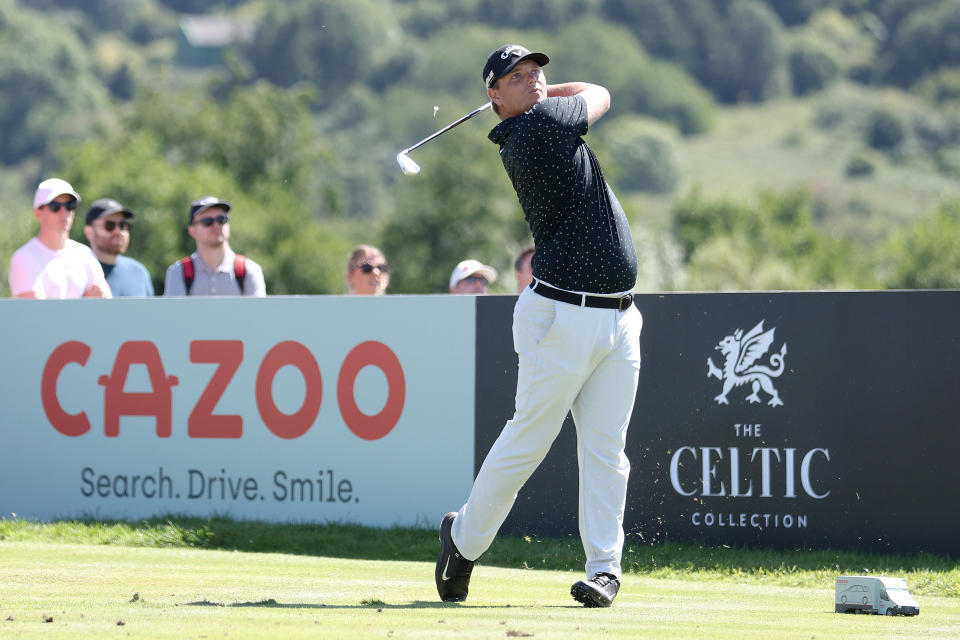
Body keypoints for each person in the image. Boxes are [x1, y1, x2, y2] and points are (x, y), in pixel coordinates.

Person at [435, 45, 642, 609]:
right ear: (493, 96)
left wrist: (532, 88)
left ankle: (604, 570)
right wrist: (546, 93)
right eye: (517, 78)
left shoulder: (535, 117)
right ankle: (463, 540)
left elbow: (572, 95)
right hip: (562, 316)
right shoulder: (536, 130)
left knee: (607, 451)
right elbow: (599, 92)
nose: (535, 82)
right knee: (530, 440)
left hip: (619, 316)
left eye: (537, 72)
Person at [8, 178, 111, 299]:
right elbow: (37, 314)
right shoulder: (24, 257)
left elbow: (105, 300)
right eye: (55, 206)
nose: (64, 212)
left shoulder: (84, 254)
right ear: (38, 213)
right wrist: (86, 301)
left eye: (70, 205)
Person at [163, 196, 266, 297]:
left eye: (222, 219)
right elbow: (173, 314)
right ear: (192, 230)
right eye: (208, 221)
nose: (216, 225)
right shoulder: (178, 272)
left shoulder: (249, 270)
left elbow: (259, 313)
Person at [83, 198, 154, 297]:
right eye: (109, 225)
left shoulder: (139, 272)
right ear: (89, 232)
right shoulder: (78, 272)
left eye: (123, 225)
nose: (118, 231)